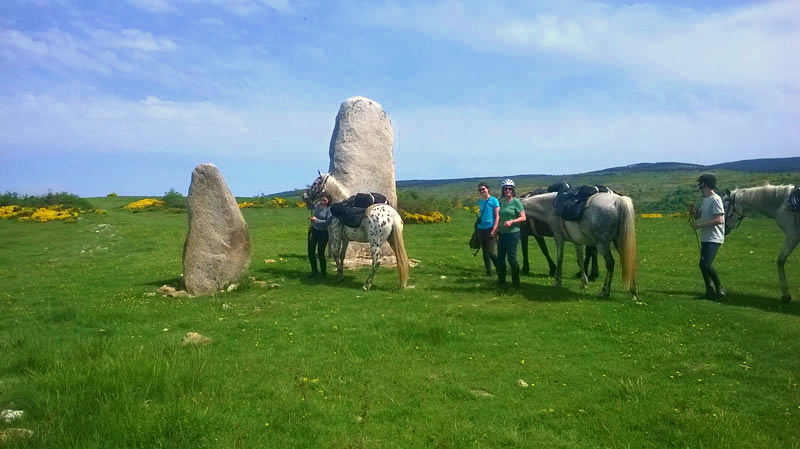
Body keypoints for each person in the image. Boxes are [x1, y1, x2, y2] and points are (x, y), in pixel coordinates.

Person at [692, 173, 727, 299]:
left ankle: (719, 287)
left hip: (714, 237)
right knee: (702, 265)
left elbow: (719, 220)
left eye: (700, 183)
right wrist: (693, 210)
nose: (699, 186)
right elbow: (697, 216)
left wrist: (700, 226)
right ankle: (709, 291)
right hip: (706, 237)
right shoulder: (706, 200)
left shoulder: (716, 199)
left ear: (705, 184)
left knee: (706, 264)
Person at [496, 178, 527, 287]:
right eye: (505, 189)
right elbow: (501, 216)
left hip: (513, 233)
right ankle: (501, 281)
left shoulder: (516, 201)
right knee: (500, 258)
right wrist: (498, 227)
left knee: (511, 258)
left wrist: (512, 221)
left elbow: (523, 217)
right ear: (503, 190)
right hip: (503, 233)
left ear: (513, 190)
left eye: (509, 189)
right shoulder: (502, 202)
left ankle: (516, 283)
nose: (507, 191)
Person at [477, 182, 500, 276]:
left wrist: (494, 230)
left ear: (488, 189)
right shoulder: (480, 201)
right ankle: (488, 271)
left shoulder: (494, 200)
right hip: (481, 228)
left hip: (491, 228)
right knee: (484, 250)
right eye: (480, 190)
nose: (482, 191)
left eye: (483, 189)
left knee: (490, 251)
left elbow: (497, 216)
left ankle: (500, 268)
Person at [308, 193, 331, 277]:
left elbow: (327, 222)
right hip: (313, 231)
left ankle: (323, 273)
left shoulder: (329, 209)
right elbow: (310, 206)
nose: (323, 202)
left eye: (325, 200)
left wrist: (316, 220)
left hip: (323, 233)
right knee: (311, 252)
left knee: (320, 253)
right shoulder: (317, 206)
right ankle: (314, 271)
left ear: (328, 200)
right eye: (322, 200)